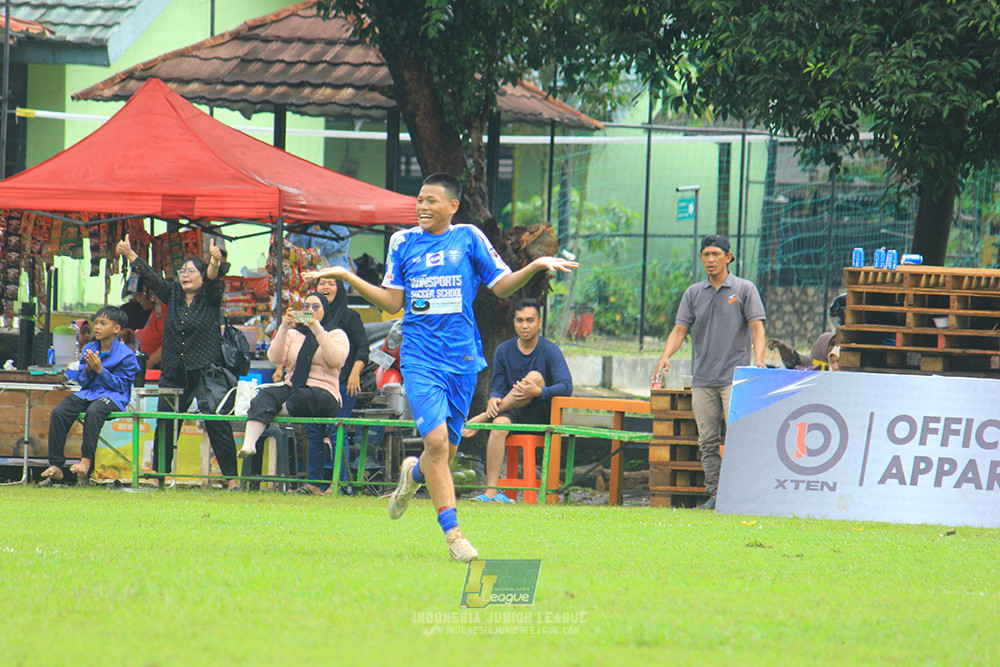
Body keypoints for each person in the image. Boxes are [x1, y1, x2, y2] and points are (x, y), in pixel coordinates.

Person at [303, 172, 577, 562]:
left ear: (452, 206)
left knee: (444, 454)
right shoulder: (403, 241)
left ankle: (411, 476)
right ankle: (454, 536)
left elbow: (500, 286)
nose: (422, 207)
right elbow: (393, 301)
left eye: (431, 201)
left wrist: (536, 266)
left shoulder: (468, 237)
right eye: (419, 199)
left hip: (463, 359)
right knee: (434, 444)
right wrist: (349, 276)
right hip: (419, 356)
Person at [116, 234, 241, 490]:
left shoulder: (209, 296)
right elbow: (153, 278)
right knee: (166, 421)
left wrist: (214, 263)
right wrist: (131, 255)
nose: (185, 275)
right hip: (174, 370)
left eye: (191, 271)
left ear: (201, 276)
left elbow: (215, 282)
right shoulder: (172, 293)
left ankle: (232, 479)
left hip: (205, 371)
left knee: (216, 422)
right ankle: (159, 475)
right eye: (182, 271)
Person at [652, 234, 766, 511]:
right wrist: (665, 356)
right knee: (707, 441)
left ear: (729, 257)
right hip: (703, 380)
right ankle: (716, 495)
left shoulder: (744, 289)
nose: (710, 259)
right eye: (706, 255)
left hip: (735, 380)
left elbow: (757, 327)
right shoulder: (693, 293)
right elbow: (680, 329)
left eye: (716, 254)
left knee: (739, 437)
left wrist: (759, 359)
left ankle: (743, 495)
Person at [463, 297, 572, 503]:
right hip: (513, 411)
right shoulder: (503, 350)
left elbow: (566, 387)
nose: (524, 325)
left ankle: (483, 417)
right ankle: (491, 492)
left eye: (530, 320)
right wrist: (494, 398)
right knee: (498, 424)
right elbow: (498, 385)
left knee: (535, 378)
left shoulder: (550, 350)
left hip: (541, 415)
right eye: (520, 320)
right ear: (513, 322)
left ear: (539, 323)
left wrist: (539, 391)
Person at [237, 292, 349, 462]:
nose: (310, 310)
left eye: (315, 307)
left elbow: (336, 359)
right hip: (293, 386)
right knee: (264, 396)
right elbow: (275, 358)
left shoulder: (335, 334)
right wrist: (283, 328)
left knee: (304, 397)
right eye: (306, 307)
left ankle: (273, 410)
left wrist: (316, 328)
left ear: (325, 309)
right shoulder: (295, 334)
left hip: (324, 392)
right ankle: (249, 444)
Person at [39, 306, 140, 486]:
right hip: (89, 393)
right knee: (60, 411)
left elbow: (122, 386)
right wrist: (87, 369)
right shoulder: (90, 347)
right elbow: (84, 382)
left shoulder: (127, 355)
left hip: (113, 397)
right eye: (96, 323)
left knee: (94, 411)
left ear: (116, 329)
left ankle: (86, 461)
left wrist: (101, 370)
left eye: (103, 323)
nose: (97, 327)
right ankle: (57, 466)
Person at [301, 275, 369, 495]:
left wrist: (354, 374)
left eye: (331, 283)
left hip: (340, 385)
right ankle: (313, 484)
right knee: (313, 433)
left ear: (339, 288)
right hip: (311, 386)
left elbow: (362, 349)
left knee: (336, 432)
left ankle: (337, 484)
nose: (326, 286)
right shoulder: (308, 316)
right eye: (322, 283)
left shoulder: (349, 317)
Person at [289, 224, 353, 272]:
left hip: (337, 269)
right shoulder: (312, 226)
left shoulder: (341, 229)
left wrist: (318, 232)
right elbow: (302, 248)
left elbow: (328, 248)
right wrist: (297, 235)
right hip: (316, 269)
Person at [768, 332, 838, 371]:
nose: (835, 348)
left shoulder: (841, 366)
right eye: (832, 344)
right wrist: (782, 347)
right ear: (822, 345)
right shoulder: (809, 362)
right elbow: (793, 360)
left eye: (837, 344)